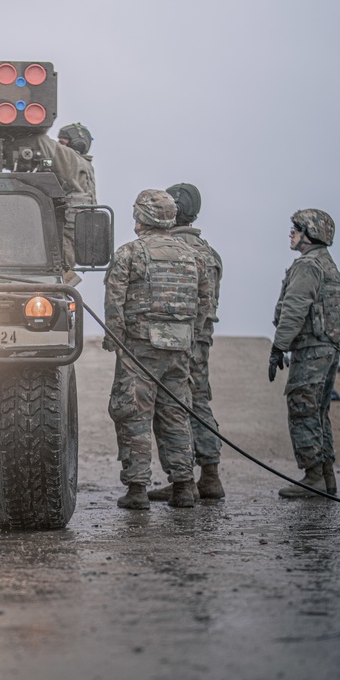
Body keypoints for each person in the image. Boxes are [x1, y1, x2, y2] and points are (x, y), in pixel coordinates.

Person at [103, 189, 210, 509]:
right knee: (176, 414)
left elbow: (114, 302)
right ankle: (183, 486)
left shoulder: (129, 254)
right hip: (179, 349)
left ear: (141, 220)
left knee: (133, 414)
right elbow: (204, 304)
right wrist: (190, 335)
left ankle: (137, 489)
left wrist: (116, 340)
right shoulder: (194, 255)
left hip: (140, 349)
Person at [147, 183, 225, 501]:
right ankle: (210, 475)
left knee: (169, 405)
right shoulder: (210, 252)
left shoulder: (169, 250)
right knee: (199, 401)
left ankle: (182, 478)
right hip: (201, 338)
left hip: (171, 338)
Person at [269, 208, 340, 497]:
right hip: (328, 348)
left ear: (310, 234)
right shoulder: (328, 265)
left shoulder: (307, 266)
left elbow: (294, 310)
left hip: (312, 350)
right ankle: (326, 478)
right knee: (319, 412)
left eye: (296, 229)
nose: (291, 234)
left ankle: (314, 478)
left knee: (303, 409)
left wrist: (278, 347)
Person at [33, 123, 96, 283]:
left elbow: (42, 142)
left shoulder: (74, 162)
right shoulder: (83, 168)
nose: (60, 146)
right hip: (69, 237)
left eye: (63, 142)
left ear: (77, 143)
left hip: (65, 239)